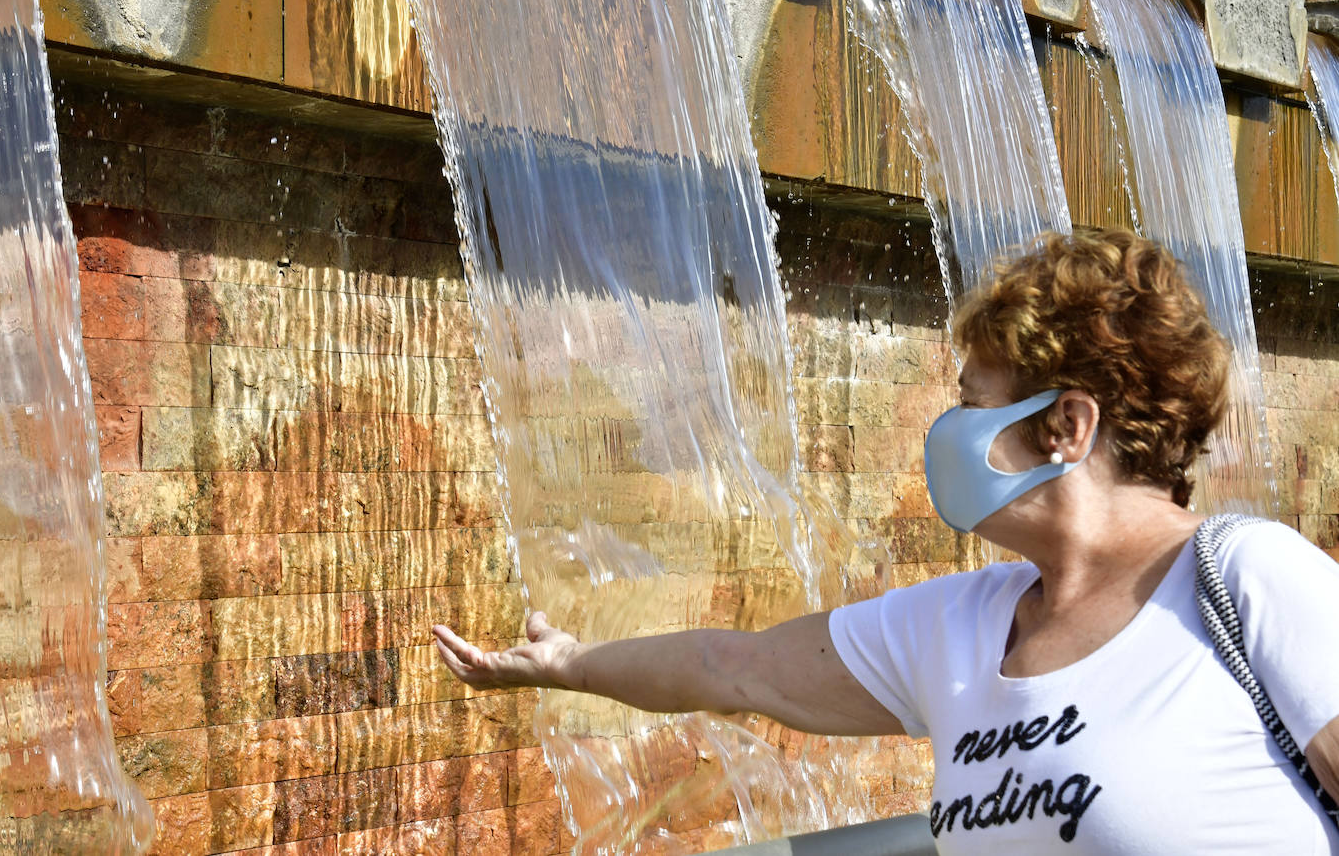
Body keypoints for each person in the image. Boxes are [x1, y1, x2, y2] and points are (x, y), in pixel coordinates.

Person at [433, 230, 1339, 852]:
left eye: (973, 402)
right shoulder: (961, 626)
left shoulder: (1248, 580)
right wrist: (568, 663)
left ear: (1066, 424)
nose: (949, 428)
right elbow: (732, 667)